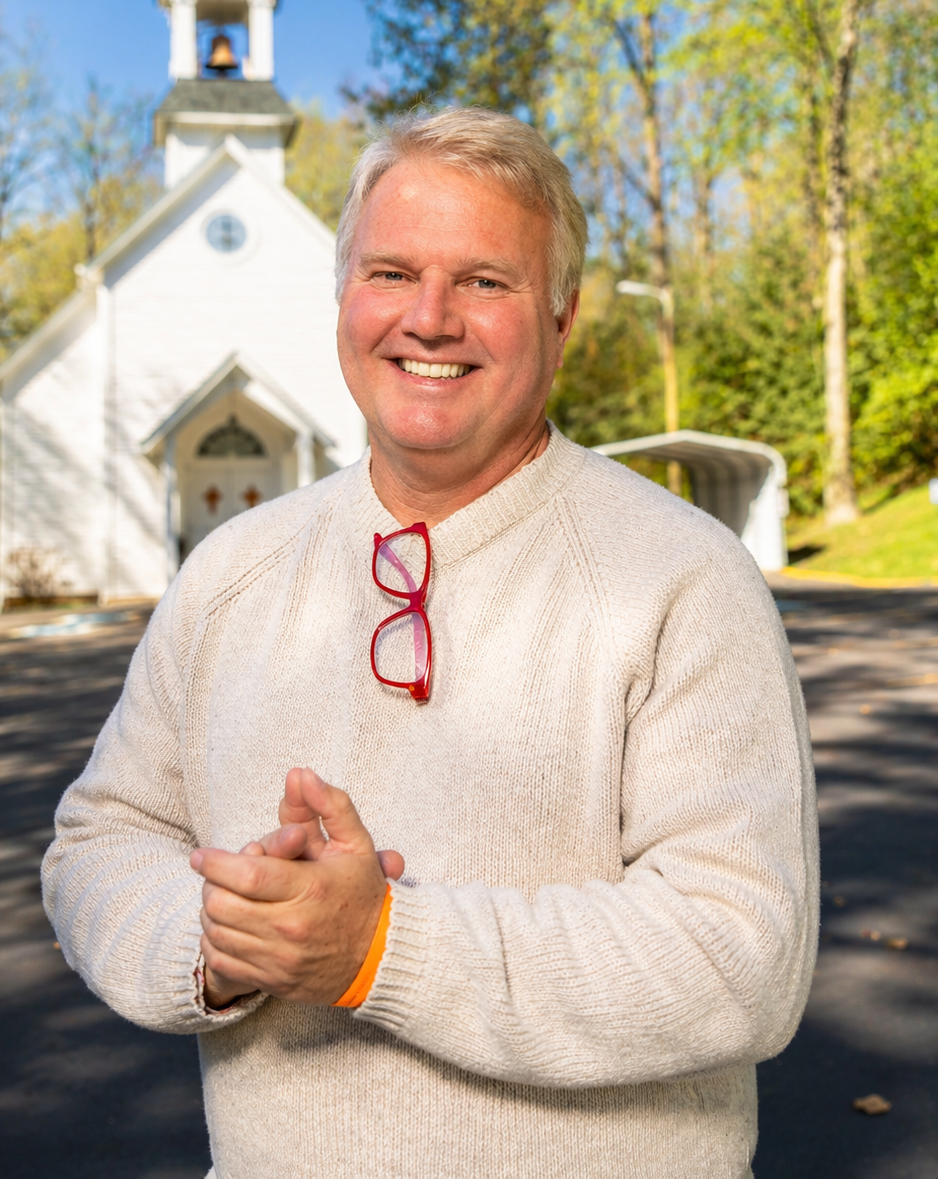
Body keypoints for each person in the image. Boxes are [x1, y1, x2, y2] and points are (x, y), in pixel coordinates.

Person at [43, 107, 818, 1179]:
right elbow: (99, 842)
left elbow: (741, 956)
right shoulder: (230, 573)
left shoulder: (680, 577)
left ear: (561, 316)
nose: (431, 318)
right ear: (343, 302)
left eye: (486, 282)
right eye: (392, 273)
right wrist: (217, 943)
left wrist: (379, 949)